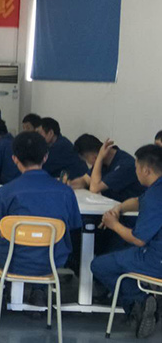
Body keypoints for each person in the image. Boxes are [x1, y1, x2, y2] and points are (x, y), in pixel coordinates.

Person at [0, 132, 82, 305]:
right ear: (45, 157)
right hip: (52, 261)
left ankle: (2, 287)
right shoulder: (65, 192)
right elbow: (73, 226)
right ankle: (39, 290)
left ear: (14, 159)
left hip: (12, 261)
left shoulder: (6, 192)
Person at [91, 145, 162, 339]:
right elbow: (139, 201)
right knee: (122, 259)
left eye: (136, 168)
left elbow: (138, 239)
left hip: (154, 259)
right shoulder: (155, 190)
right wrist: (120, 208)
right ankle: (143, 304)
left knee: (100, 265)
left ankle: (139, 302)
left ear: (146, 170)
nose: (135, 172)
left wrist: (113, 224)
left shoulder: (154, 197)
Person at [69, 134, 145, 202]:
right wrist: (68, 184)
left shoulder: (124, 164)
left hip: (131, 211)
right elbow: (85, 180)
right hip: (112, 206)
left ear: (94, 156)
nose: (88, 162)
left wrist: (99, 158)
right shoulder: (102, 162)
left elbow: (94, 188)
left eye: (86, 159)